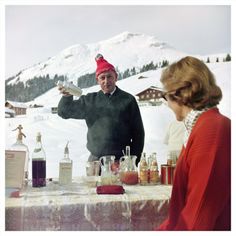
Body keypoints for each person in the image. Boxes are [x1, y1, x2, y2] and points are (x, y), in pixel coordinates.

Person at [156, 56, 231, 230]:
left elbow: (199, 216)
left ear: (180, 93)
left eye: (165, 95)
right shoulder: (198, 127)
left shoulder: (212, 130)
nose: (166, 103)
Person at [57, 54, 145, 166]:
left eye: (109, 77)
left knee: (119, 185)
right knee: (94, 184)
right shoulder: (90, 101)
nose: (106, 81)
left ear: (116, 77)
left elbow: (138, 133)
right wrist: (66, 96)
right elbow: (64, 112)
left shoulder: (128, 100)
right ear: (97, 80)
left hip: (120, 161)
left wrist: (133, 161)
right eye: (102, 78)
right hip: (95, 161)